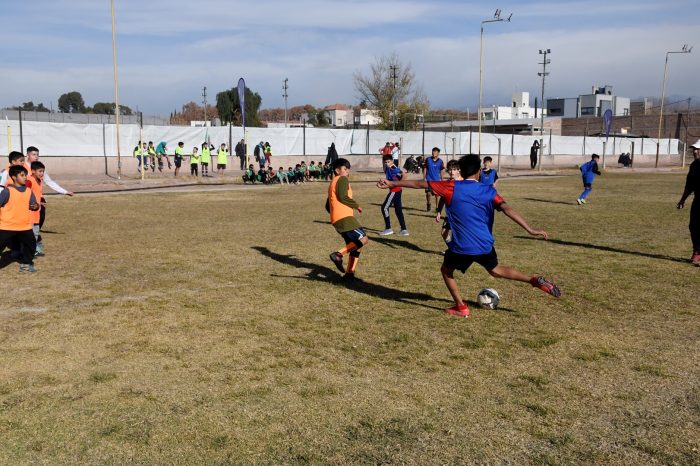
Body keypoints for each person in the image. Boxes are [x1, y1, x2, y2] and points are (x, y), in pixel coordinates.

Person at [378, 154, 561, 317]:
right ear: (479, 171)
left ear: (462, 171)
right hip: (484, 245)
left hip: (461, 246)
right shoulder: (489, 191)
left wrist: (393, 183)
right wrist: (530, 229)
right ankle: (533, 279)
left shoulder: (451, 187)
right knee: (495, 270)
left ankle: (461, 307)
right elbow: (507, 208)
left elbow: (420, 184)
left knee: (446, 271)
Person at [327, 158, 368, 280]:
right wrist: (356, 206)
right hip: (344, 217)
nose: (347, 172)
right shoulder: (342, 179)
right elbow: (343, 197)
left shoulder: (333, 182)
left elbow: (327, 205)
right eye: (345, 169)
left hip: (337, 219)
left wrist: (335, 214)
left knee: (356, 245)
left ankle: (349, 274)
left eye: (348, 169)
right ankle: (338, 255)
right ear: (337, 170)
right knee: (363, 239)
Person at [0, 165, 40, 273]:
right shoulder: (7, 191)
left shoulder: (28, 191)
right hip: (7, 226)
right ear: (13, 177)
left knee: (31, 244)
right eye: (22, 175)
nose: (25, 177)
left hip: (24, 226)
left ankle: (26, 264)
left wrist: (36, 206)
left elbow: (35, 205)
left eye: (26, 175)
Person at [677, 139, 700, 266]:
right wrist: (682, 200)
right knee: (693, 226)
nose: (695, 151)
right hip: (698, 200)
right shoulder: (694, 166)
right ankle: (697, 250)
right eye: (694, 149)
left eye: (697, 149)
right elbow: (689, 185)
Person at [379, 154, 409, 236]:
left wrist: (400, 183)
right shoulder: (387, 168)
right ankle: (404, 230)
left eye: (388, 162)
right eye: (385, 162)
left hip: (395, 191)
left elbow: (404, 174)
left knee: (384, 207)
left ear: (392, 161)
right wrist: (383, 184)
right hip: (396, 190)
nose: (387, 163)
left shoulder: (393, 168)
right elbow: (392, 181)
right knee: (398, 210)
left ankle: (388, 228)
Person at [436, 159, 462, 244]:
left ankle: (456, 253)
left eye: (454, 169)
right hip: (450, 214)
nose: (451, 172)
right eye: (450, 169)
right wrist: (439, 212)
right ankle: (452, 250)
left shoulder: (464, 183)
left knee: (458, 235)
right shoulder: (447, 183)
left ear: (459, 170)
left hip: (462, 214)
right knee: (444, 233)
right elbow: (443, 198)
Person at [27, 161, 46, 256]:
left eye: (43, 171)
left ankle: (32, 251)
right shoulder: (29, 181)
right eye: (40, 171)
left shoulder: (39, 181)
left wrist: (40, 202)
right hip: (29, 214)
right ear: (33, 171)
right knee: (30, 234)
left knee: (35, 233)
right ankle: (26, 252)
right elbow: (25, 194)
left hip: (36, 213)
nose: (42, 173)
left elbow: (36, 195)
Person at [423, 147, 444, 211]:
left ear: (438, 153)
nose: (433, 152)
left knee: (437, 195)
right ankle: (428, 204)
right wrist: (424, 177)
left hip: (437, 180)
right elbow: (425, 168)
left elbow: (441, 171)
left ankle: (437, 207)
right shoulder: (428, 159)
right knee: (428, 194)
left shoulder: (440, 161)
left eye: (435, 151)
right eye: (433, 151)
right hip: (429, 179)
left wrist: (442, 179)